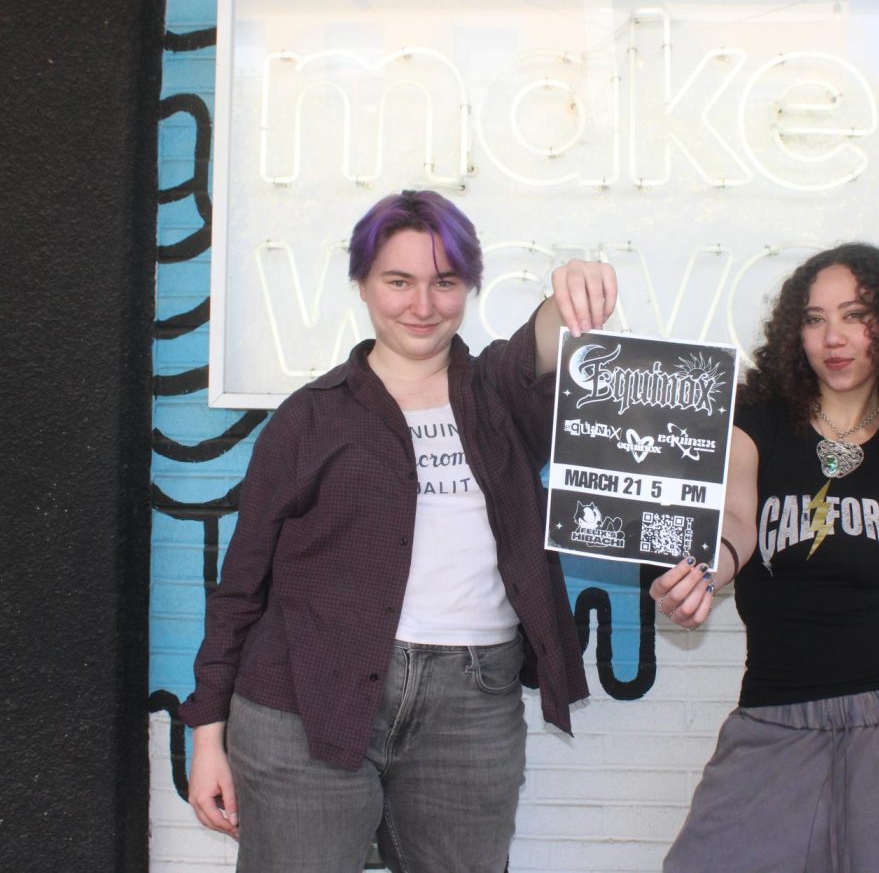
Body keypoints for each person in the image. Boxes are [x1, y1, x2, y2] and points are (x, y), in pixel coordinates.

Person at [180, 190, 617, 872]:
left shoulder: (500, 393)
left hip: (470, 705)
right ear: (362, 284)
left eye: (444, 282)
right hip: (303, 704)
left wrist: (571, 292)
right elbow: (241, 589)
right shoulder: (308, 418)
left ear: (469, 286)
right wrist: (208, 738)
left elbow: (544, 341)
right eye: (398, 281)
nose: (422, 305)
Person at [650, 244, 879, 872]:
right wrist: (706, 569)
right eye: (815, 319)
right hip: (777, 719)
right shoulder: (756, 421)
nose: (833, 338)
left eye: (854, 315)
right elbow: (737, 520)